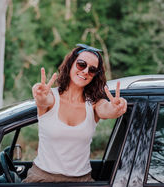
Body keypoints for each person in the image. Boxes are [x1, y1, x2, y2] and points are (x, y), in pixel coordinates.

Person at [23, 44, 127, 183]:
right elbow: (43, 101)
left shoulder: (94, 103)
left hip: (82, 181)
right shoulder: (51, 97)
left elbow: (106, 110)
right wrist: (39, 94)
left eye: (92, 69)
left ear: (95, 75)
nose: (85, 71)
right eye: (81, 64)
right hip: (42, 179)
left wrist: (116, 108)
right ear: (71, 64)